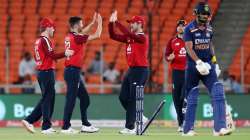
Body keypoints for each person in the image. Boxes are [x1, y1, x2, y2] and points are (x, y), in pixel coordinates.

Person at [182, 2, 232, 136]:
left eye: (207, 14)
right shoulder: (188, 29)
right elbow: (188, 47)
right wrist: (198, 62)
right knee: (192, 95)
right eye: (202, 14)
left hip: (208, 65)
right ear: (196, 14)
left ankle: (219, 128)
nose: (205, 16)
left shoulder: (209, 28)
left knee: (217, 90)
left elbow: (210, 44)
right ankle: (188, 130)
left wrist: (215, 62)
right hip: (193, 66)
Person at [21, 18, 74, 134]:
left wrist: (49, 62)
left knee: (48, 98)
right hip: (46, 72)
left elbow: (38, 57)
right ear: (48, 27)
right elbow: (51, 55)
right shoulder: (45, 40)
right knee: (47, 99)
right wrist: (65, 53)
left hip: (42, 72)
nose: (54, 29)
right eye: (52, 27)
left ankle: (29, 120)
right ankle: (45, 126)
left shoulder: (38, 41)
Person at [61, 13, 102, 134]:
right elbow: (97, 35)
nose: (82, 25)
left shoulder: (70, 36)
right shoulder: (77, 37)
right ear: (76, 25)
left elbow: (82, 32)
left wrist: (92, 23)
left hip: (72, 71)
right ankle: (66, 127)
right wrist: (100, 23)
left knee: (85, 99)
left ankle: (85, 124)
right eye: (81, 23)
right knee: (71, 100)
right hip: (73, 71)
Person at [109, 11, 149, 134]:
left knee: (132, 99)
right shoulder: (130, 37)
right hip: (131, 70)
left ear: (139, 24)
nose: (131, 25)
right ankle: (139, 116)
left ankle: (130, 127)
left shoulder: (142, 37)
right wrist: (111, 24)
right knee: (122, 97)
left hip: (140, 70)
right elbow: (113, 36)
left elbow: (127, 33)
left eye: (132, 23)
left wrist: (117, 22)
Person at [165, 20, 187, 132]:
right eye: (179, 25)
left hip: (187, 72)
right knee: (176, 98)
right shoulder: (172, 41)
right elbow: (166, 56)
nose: (180, 27)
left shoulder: (190, 40)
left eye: (183, 26)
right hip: (176, 72)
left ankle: (186, 121)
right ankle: (181, 124)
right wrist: (170, 57)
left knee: (184, 97)